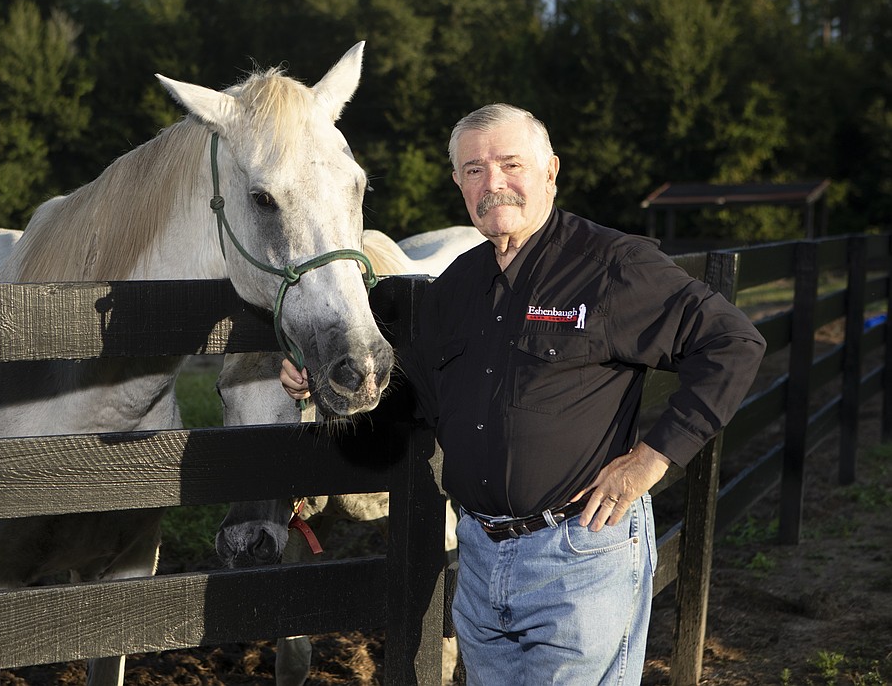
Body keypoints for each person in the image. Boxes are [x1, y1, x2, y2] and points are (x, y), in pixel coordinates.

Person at [280, 103, 766, 684]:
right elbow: (418, 403)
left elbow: (733, 342)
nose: (493, 183)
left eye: (511, 164)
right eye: (474, 170)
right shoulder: (456, 286)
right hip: (481, 557)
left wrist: (651, 459)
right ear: (458, 182)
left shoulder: (611, 266)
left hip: (579, 554)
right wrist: (327, 383)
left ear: (550, 172)